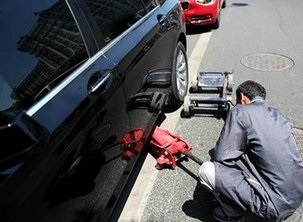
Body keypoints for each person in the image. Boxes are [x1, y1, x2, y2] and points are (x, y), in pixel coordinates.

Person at [198, 80, 303, 222]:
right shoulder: (280, 116)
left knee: (207, 169)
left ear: (242, 97)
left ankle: (233, 214)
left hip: (272, 206)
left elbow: (221, 156)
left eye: (237, 101)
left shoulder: (240, 111)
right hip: (295, 199)